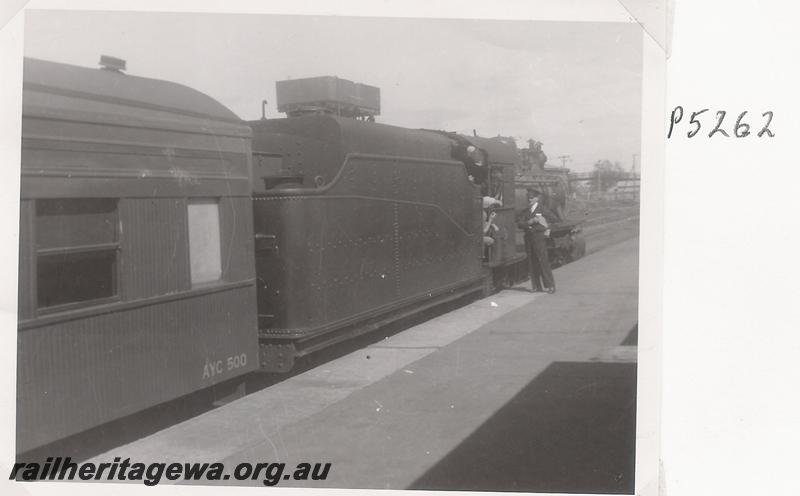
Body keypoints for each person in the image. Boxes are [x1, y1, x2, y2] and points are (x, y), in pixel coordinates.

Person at [516, 188, 556, 293]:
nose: (529, 199)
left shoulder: (542, 209)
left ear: (536, 198)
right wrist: (529, 222)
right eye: (528, 198)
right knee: (532, 262)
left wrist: (547, 228)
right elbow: (519, 224)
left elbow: (553, 219)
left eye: (531, 197)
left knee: (543, 261)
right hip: (528, 238)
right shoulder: (525, 211)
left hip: (539, 237)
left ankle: (550, 285)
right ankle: (536, 286)